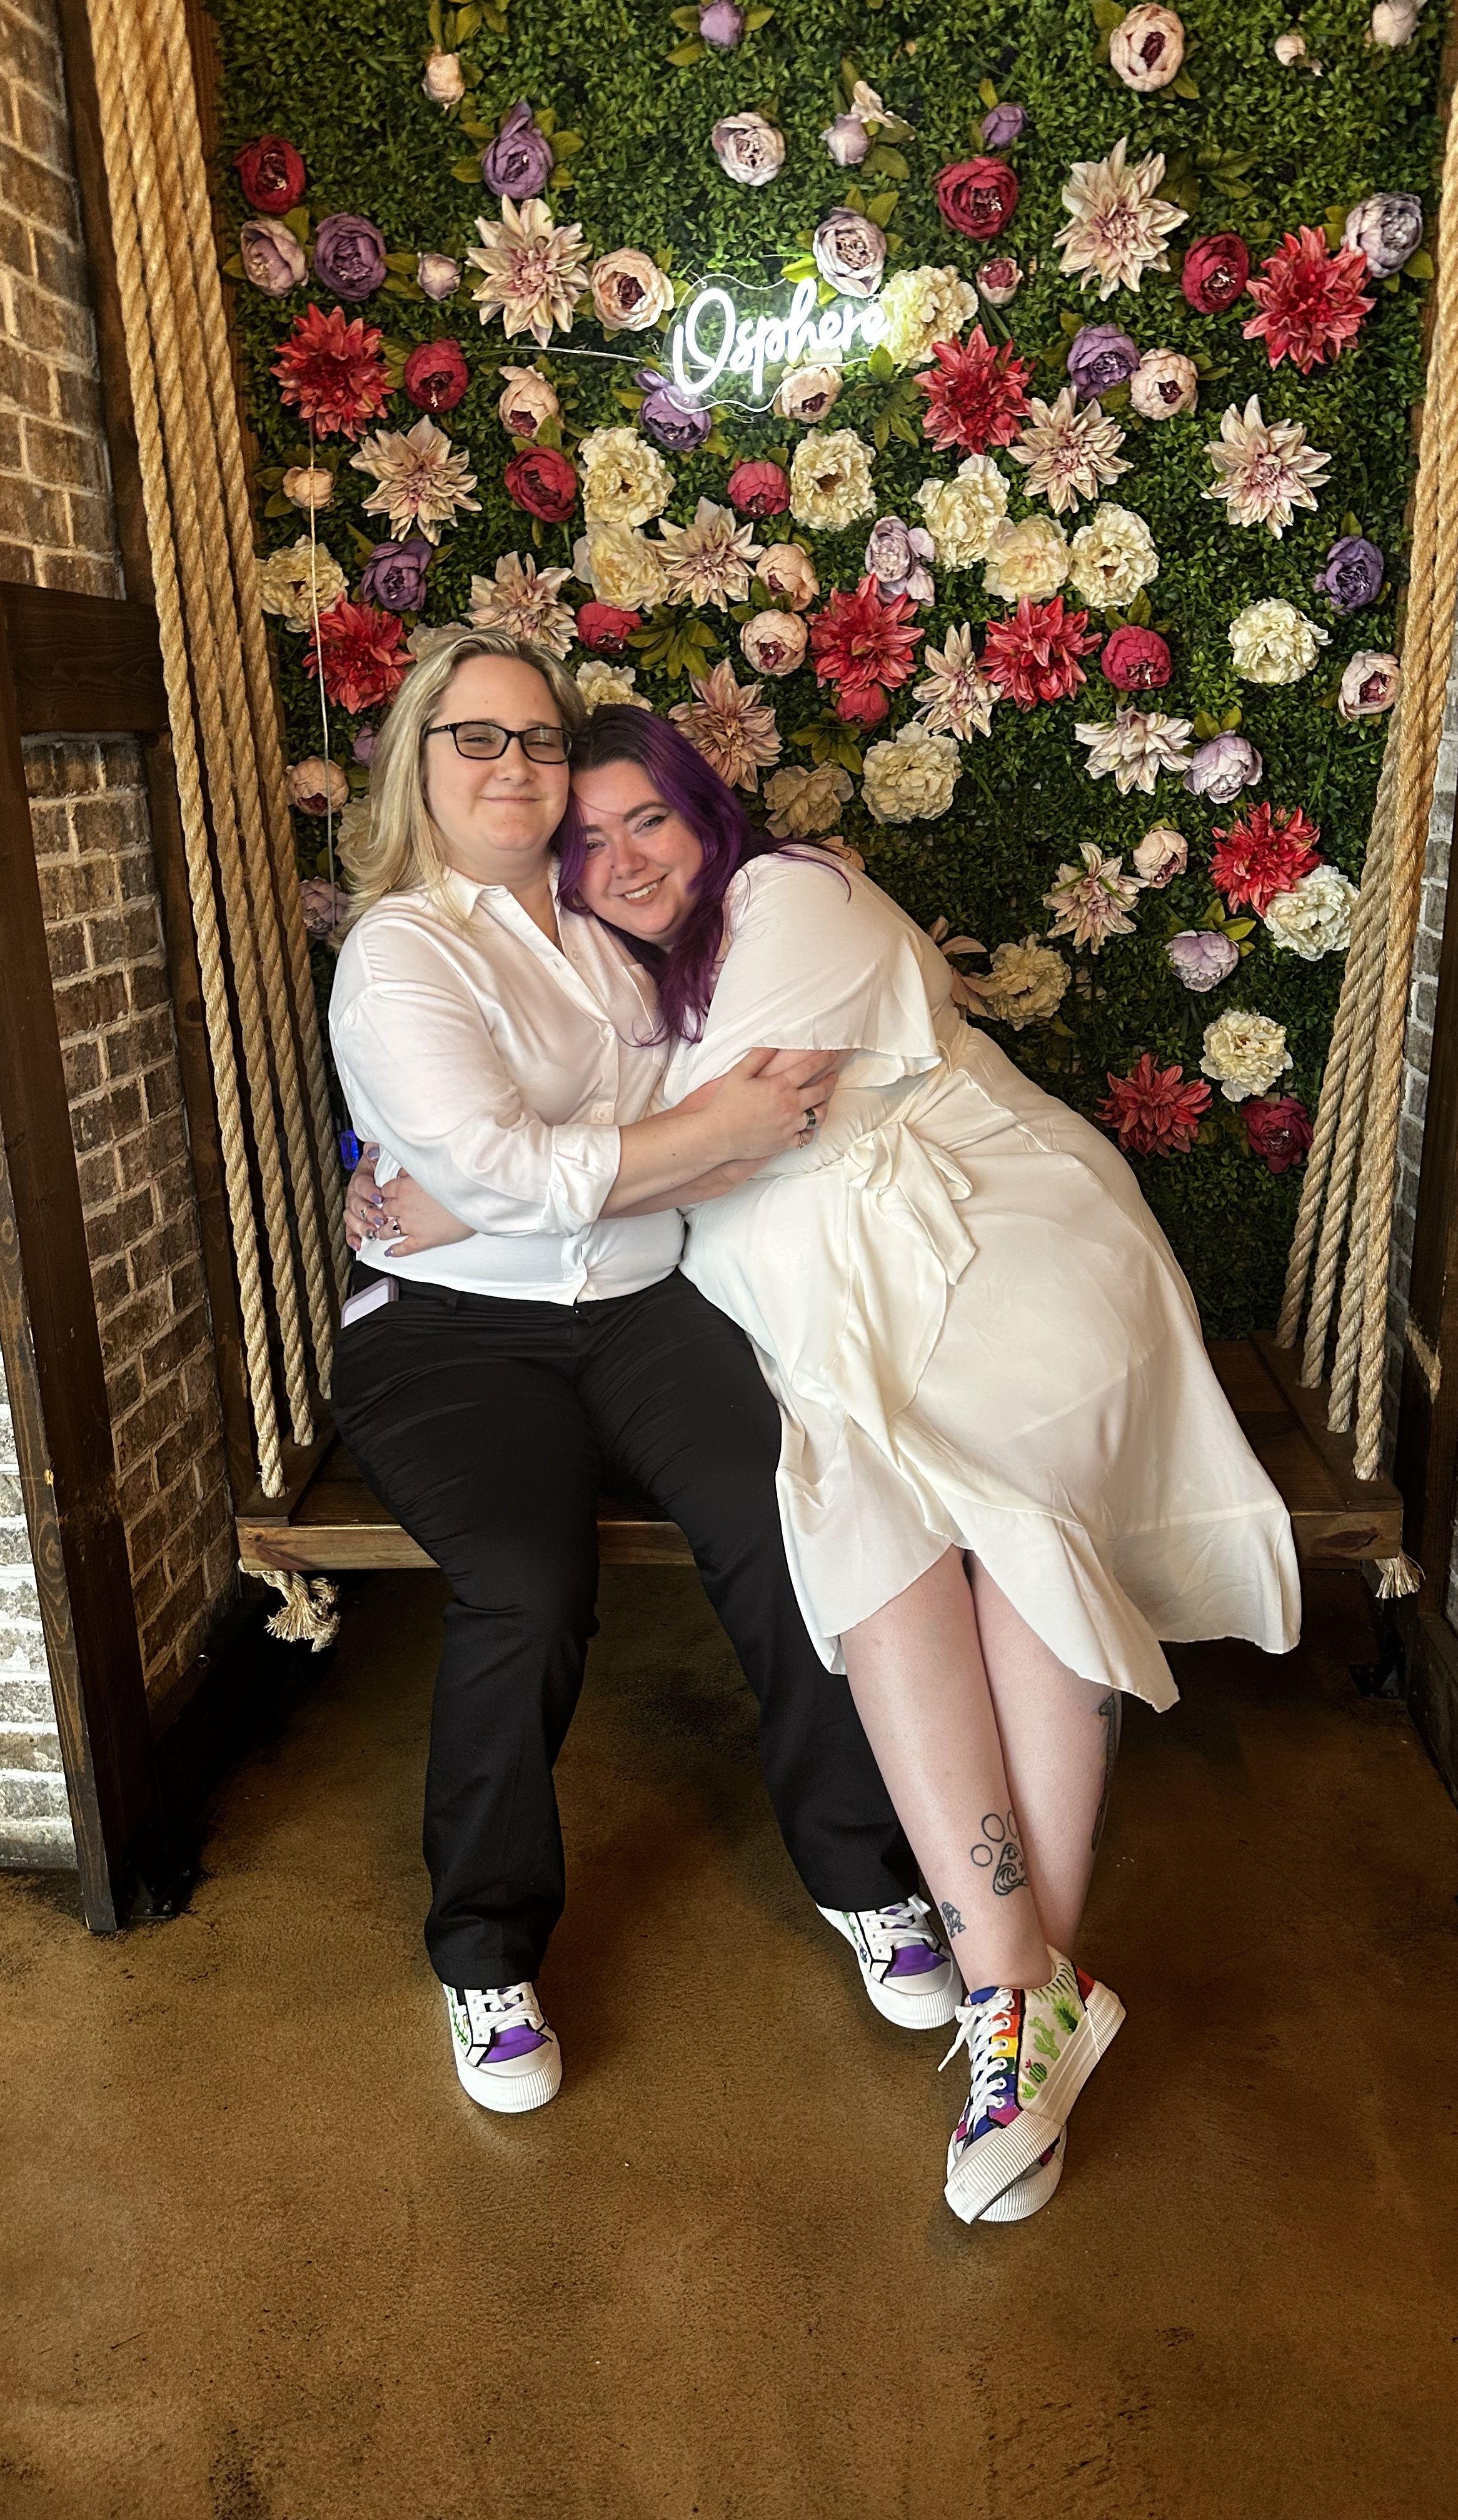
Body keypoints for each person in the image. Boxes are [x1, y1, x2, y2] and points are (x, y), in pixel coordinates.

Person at [354, 703, 1301, 2222]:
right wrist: (528, 1175)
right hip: (820, 1305)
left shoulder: (794, 896)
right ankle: (1022, 1997)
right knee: (854, 1516)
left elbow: (735, 1134)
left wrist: (467, 1196)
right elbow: (673, 1135)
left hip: (993, 1244)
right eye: (590, 840)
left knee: (998, 1507)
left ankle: (1007, 1991)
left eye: (646, 818)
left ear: (705, 810)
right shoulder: (582, 965)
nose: (621, 857)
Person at [323, 626, 958, 2122]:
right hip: (450, 1334)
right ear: (418, 764)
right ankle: (484, 1952)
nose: (517, 766)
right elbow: (527, 1162)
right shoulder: (400, 953)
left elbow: (686, 1134)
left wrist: (566, 1174)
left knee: (781, 1512)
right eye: (478, 738)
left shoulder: (609, 923)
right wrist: (671, 1147)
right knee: (526, 1585)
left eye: (539, 739)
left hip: (640, 1308)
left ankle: (864, 1877)